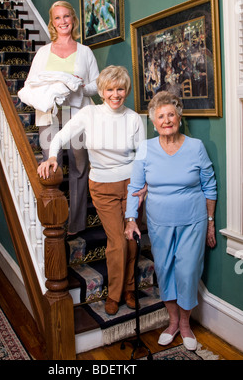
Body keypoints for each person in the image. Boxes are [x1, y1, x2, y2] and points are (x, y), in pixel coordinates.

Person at [37, 66, 145, 315]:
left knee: (130, 239)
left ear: (126, 90)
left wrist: (143, 186)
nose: (115, 94)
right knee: (117, 241)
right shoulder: (89, 114)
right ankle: (116, 294)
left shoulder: (134, 118)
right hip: (102, 187)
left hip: (132, 187)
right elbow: (60, 136)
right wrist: (52, 156)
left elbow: (142, 158)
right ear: (102, 91)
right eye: (110, 89)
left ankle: (129, 287)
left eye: (120, 89)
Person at [124, 91, 217, 351]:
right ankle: (172, 322)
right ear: (154, 123)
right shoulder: (146, 148)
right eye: (160, 116)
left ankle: (185, 325)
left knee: (187, 273)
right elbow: (135, 186)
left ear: (179, 117)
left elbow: (210, 187)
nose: (166, 120)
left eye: (171, 115)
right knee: (165, 271)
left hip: (193, 221)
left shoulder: (196, 147)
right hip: (159, 221)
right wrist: (131, 219)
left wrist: (210, 222)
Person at [21, 1, 99, 236]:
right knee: (52, 165)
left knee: (79, 166)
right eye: (57, 18)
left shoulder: (85, 52)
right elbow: (29, 85)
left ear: (73, 20)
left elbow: (96, 85)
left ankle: (75, 224)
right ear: (52, 22)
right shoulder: (43, 53)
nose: (63, 21)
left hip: (77, 114)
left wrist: (79, 86)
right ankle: (53, 219)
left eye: (66, 16)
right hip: (48, 115)